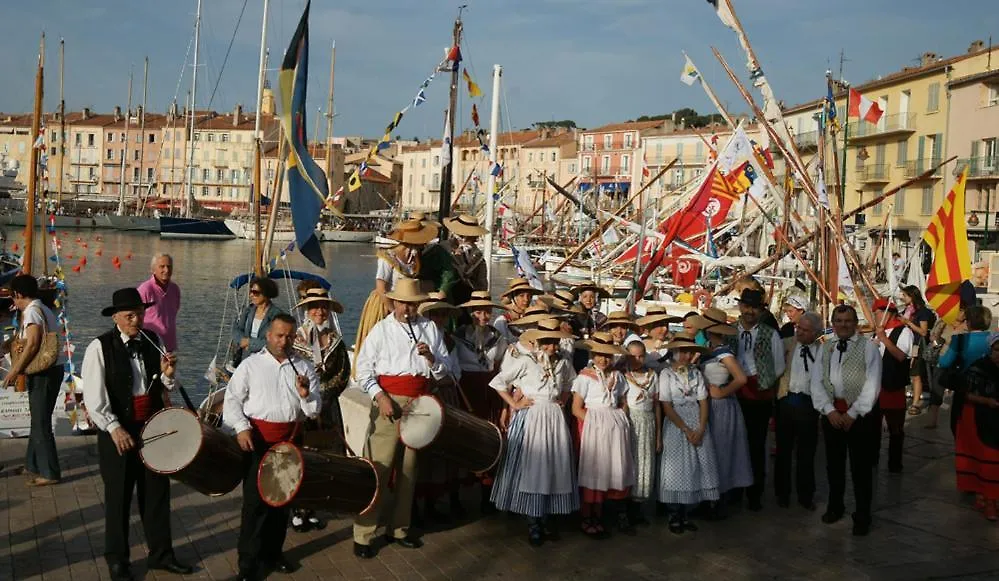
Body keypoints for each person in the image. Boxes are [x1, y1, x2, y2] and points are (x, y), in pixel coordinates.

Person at [80, 288, 192, 581]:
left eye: (140, 314)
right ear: (116, 317)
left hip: (151, 427)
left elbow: (165, 387)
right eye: (130, 315)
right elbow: (94, 396)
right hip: (118, 428)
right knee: (118, 498)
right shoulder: (99, 347)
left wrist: (168, 372)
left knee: (156, 494)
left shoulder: (152, 341)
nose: (136, 320)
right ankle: (117, 560)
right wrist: (114, 428)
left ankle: (162, 555)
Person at [352, 278, 453, 559]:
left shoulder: (430, 328)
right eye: (403, 303)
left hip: (420, 403)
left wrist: (432, 359)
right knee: (378, 467)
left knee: (409, 471)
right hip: (389, 401)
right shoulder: (381, 330)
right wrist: (380, 397)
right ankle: (363, 533)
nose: (407, 309)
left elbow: (447, 372)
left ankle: (398, 529)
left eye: (412, 304)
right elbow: (362, 369)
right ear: (394, 302)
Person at [223, 314, 320, 580]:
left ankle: (273, 553)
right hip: (258, 440)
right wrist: (241, 428)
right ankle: (248, 561)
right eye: (279, 335)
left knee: (282, 501)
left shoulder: (303, 367)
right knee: (255, 504)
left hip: (290, 440)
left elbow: (313, 411)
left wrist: (306, 395)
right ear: (268, 335)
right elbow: (232, 400)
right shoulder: (251, 365)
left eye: (289, 336)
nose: (284, 341)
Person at [490, 318, 578, 546]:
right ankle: (533, 521)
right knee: (533, 467)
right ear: (538, 342)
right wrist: (515, 404)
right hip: (533, 417)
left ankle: (547, 517)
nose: (552, 347)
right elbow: (500, 381)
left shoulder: (563, 363)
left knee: (554, 466)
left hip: (554, 417)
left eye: (555, 343)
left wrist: (563, 401)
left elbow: (570, 384)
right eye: (547, 343)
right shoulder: (527, 361)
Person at [811, 304, 882, 536]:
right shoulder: (826, 348)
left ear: (856, 323)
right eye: (839, 321)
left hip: (859, 416)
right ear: (833, 323)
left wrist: (853, 413)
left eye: (848, 321)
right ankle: (835, 506)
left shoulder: (868, 348)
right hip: (832, 414)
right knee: (834, 466)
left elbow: (872, 384)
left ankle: (862, 516)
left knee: (861, 468)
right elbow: (817, 381)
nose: (843, 325)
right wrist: (829, 410)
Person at [289, 285, 350, 534]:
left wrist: (325, 394)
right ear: (306, 309)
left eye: (323, 307)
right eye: (314, 307)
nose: (319, 312)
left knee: (322, 457)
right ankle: (296, 508)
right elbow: (289, 371)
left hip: (327, 408)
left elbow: (344, 374)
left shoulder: (336, 341)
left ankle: (312, 507)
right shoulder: (294, 340)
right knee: (300, 456)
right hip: (302, 409)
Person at [689, 308, 752, 516]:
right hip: (710, 403)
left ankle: (718, 500)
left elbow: (741, 378)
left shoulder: (723, 352)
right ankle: (711, 497)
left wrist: (722, 392)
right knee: (710, 451)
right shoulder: (708, 349)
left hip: (720, 406)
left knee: (720, 450)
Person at [572, 332, 635, 538]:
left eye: (608, 355)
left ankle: (599, 515)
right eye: (599, 354)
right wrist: (593, 424)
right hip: (592, 426)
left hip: (612, 427)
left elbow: (623, 400)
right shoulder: (585, 376)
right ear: (593, 353)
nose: (603, 359)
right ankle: (586, 516)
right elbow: (576, 408)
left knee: (607, 469)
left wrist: (621, 418)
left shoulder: (617, 376)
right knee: (593, 468)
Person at [4, 274, 63, 486]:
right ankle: (33, 463)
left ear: (19, 295)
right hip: (51, 370)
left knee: (41, 422)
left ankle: (49, 472)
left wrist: (14, 371)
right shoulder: (44, 308)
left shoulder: (32, 312)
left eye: (13, 297)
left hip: (43, 373)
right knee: (38, 420)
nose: (13, 302)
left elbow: (33, 343)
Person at [657, 332, 719, 534]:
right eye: (682, 351)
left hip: (696, 420)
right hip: (677, 423)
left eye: (688, 352)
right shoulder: (666, 374)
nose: (685, 356)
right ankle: (674, 513)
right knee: (677, 468)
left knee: (695, 467)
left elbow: (703, 401)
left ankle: (687, 512)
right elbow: (666, 405)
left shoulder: (696, 373)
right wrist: (685, 428)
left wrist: (701, 427)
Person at [454, 291, 509, 512]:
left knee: (490, 439)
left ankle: (488, 495)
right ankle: (457, 495)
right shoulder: (457, 335)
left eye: (487, 311)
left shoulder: (498, 337)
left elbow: (502, 367)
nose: (483, 316)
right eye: (478, 311)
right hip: (466, 390)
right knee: (463, 440)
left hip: (489, 390)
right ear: (470, 312)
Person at [734, 288, 786, 511]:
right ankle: (734, 491)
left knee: (756, 445)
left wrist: (762, 379)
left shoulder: (770, 333)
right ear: (740, 307)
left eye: (754, 308)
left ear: (760, 310)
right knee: (734, 444)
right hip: (733, 394)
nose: (749, 312)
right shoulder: (729, 332)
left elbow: (779, 365)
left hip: (759, 396)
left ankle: (755, 493)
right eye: (746, 306)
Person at [415, 293, 465, 522]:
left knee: (443, 452)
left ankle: (436, 502)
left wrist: (440, 379)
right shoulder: (417, 337)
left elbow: (455, 373)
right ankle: (416, 503)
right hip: (422, 395)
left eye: (442, 314)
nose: (438, 318)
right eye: (434, 314)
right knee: (421, 451)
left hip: (445, 396)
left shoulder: (450, 341)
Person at [354, 219, 437, 356]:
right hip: (385, 302)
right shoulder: (388, 258)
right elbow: (381, 287)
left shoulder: (413, 259)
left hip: (407, 303)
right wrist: (393, 311)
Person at [774, 311, 823, 510]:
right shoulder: (787, 344)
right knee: (783, 452)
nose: (800, 332)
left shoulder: (822, 351)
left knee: (806, 454)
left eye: (805, 330)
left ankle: (805, 495)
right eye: (799, 328)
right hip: (786, 402)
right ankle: (782, 494)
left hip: (809, 406)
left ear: (816, 333)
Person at [954, 332, 999, 521]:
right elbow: (965, 394)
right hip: (981, 418)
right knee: (989, 461)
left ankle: (986, 497)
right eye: (997, 349)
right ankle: (989, 502)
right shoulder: (978, 368)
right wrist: (987, 401)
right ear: (991, 350)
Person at [620, 335, 660, 525]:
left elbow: (657, 405)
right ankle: (623, 510)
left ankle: (638, 509)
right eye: (633, 356)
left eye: (641, 356)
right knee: (629, 464)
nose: (637, 360)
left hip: (648, 423)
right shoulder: (622, 375)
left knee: (644, 465)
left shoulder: (653, 375)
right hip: (631, 423)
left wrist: (659, 434)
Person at [871, 298, 913, 474]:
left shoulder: (903, 331)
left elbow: (901, 356)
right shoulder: (877, 332)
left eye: (879, 313)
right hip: (875, 387)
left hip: (893, 386)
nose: (876, 316)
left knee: (895, 429)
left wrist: (884, 339)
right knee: (873, 429)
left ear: (888, 313)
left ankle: (895, 463)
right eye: (876, 313)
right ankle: (872, 460)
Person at [938, 306, 993, 435]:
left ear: (969, 322)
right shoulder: (994, 339)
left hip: (966, 390)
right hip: (991, 390)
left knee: (961, 429)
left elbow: (944, 362)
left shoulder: (960, 340)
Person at [898, 286, 936, 416]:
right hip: (905, 344)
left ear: (912, 296)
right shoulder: (907, 310)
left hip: (917, 344)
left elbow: (923, 331)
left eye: (904, 295)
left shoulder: (922, 312)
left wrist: (908, 322)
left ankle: (915, 403)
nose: (902, 297)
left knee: (916, 374)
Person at [231, 277, 283, 366]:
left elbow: (274, 342)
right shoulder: (248, 311)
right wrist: (242, 341)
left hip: (265, 361)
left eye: (255, 292)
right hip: (245, 359)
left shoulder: (277, 315)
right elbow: (236, 329)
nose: (251, 295)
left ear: (266, 294)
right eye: (250, 292)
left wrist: (250, 343)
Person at [442, 214, 489, 307]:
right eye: (473, 236)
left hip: (469, 300)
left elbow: (482, 282)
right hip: (447, 297)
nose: (476, 239)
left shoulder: (477, 255)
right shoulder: (443, 248)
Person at [137, 253, 181, 352]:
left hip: (169, 347)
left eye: (169, 266)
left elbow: (173, 313)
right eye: (162, 266)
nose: (166, 270)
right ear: (153, 269)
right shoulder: (145, 289)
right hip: (150, 346)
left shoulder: (175, 289)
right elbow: (135, 318)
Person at [495, 278, 543, 343]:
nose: (526, 300)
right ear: (513, 298)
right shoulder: (502, 322)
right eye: (521, 296)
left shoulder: (532, 320)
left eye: (529, 296)